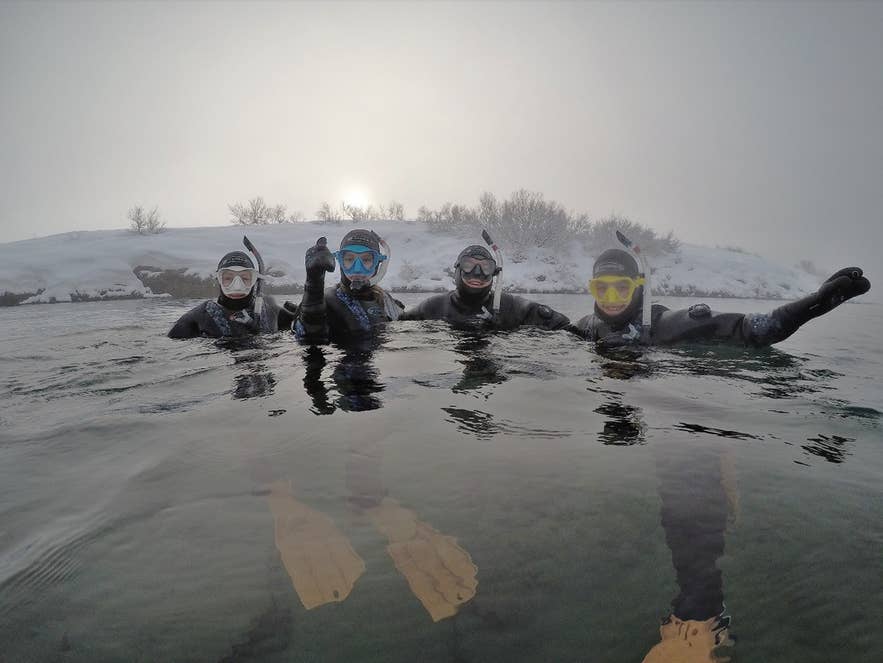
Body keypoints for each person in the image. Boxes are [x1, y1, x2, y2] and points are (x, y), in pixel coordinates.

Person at [571, 247, 871, 347]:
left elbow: (742, 328)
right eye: (602, 288)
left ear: (638, 287)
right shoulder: (588, 327)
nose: (611, 298)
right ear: (592, 289)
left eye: (621, 287)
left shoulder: (663, 325)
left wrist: (809, 307)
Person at [400, 244, 570, 331]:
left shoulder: (511, 306)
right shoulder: (433, 307)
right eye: (469, 265)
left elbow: (562, 327)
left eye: (485, 267)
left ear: (494, 272)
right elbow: (398, 326)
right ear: (458, 270)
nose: (477, 273)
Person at [293, 229, 404, 344]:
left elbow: (405, 322)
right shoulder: (327, 300)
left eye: (366, 260)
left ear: (377, 263)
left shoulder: (384, 298)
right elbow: (307, 339)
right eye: (349, 259)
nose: (357, 268)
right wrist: (314, 282)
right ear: (340, 262)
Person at [168, 249, 295, 339]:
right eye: (228, 278)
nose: (237, 286)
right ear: (219, 279)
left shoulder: (271, 312)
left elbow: (307, 333)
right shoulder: (195, 320)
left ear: (255, 280)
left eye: (245, 279)